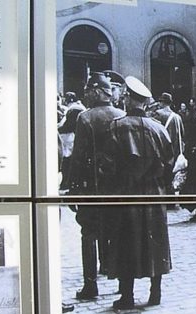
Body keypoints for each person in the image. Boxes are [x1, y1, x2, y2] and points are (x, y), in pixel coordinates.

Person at [102, 76, 173, 309]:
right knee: (156, 241)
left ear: (128, 99)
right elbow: (170, 163)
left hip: (126, 192)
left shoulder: (116, 127)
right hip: (155, 193)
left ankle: (127, 296)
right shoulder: (160, 129)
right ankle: (156, 293)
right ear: (145, 102)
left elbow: (108, 165)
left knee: (125, 241)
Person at [67, 72, 127, 300]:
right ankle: (123, 282)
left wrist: (73, 189)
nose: (85, 94)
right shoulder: (122, 115)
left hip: (92, 188)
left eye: (88, 90)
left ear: (97, 92)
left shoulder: (85, 118)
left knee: (88, 234)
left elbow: (78, 157)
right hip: (117, 188)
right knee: (118, 233)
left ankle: (90, 286)